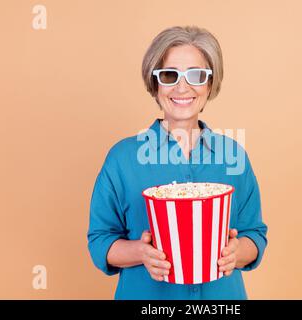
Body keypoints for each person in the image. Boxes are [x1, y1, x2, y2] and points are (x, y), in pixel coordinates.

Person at [87, 25, 268, 299]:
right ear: (155, 83)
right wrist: (141, 252)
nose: (182, 87)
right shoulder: (122, 159)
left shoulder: (234, 156)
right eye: (170, 75)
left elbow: (254, 233)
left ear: (209, 84)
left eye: (196, 75)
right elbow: (100, 241)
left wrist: (237, 252)